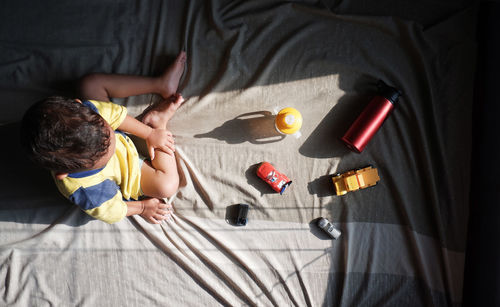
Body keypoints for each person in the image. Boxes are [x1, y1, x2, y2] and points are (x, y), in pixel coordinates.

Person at [20, 51, 187, 224]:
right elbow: (114, 210)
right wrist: (143, 207)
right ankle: (158, 121)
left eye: (107, 134)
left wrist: (149, 134)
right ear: (64, 174)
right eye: (102, 156)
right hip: (129, 170)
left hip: (111, 132)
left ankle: (160, 84)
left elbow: (118, 117)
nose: (112, 146)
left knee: (90, 83)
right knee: (166, 186)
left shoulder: (87, 114)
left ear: (79, 105)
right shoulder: (85, 189)